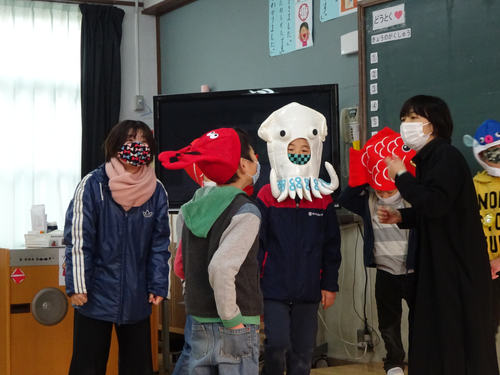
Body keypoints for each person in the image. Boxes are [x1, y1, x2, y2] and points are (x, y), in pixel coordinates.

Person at [377, 95, 499, 375]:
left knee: (457, 340)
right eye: (404, 118)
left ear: (433, 125)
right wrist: (402, 216)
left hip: (457, 269)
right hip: (444, 265)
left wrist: (401, 176)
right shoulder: (432, 160)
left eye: (414, 118)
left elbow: (435, 203)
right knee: (437, 337)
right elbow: (439, 211)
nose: (405, 125)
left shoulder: (446, 156)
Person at [64, 120, 171, 375]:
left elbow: (160, 243)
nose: (138, 146)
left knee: (139, 367)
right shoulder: (92, 185)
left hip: (137, 297)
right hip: (94, 295)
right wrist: (77, 285)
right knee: (87, 367)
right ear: (115, 145)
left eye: (144, 142)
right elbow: (79, 239)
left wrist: (157, 284)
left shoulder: (157, 191)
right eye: (131, 140)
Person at [158, 128, 263, 375]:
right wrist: (232, 319)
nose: (257, 160)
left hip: (198, 319)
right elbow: (221, 267)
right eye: (252, 156)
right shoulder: (246, 211)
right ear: (242, 165)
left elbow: (181, 265)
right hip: (236, 321)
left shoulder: (191, 207)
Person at [257, 103, 341, 375]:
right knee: (278, 344)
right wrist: (255, 285)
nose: (298, 155)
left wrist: (329, 284)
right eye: (292, 150)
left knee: (304, 351)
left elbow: (331, 246)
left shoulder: (323, 199)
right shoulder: (266, 197)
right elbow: (257, 245)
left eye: (305, 150)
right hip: (272, 289)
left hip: (309, 289)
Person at [338, 127, 417, 375]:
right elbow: (346, 196)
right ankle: (393, 363)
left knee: (421, 321)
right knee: (388, 324)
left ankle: (423, 359)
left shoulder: (412, 198)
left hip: (416, 271)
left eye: (389, 189)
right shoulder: (369, 200)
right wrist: (361, 163)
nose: (384, 194)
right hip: (386, 272)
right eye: (379, 189)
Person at [466, 119, 500, 331]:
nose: (495, 158)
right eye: (490, 153)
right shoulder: (473, 187)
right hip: (485, 271)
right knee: (487, 326)